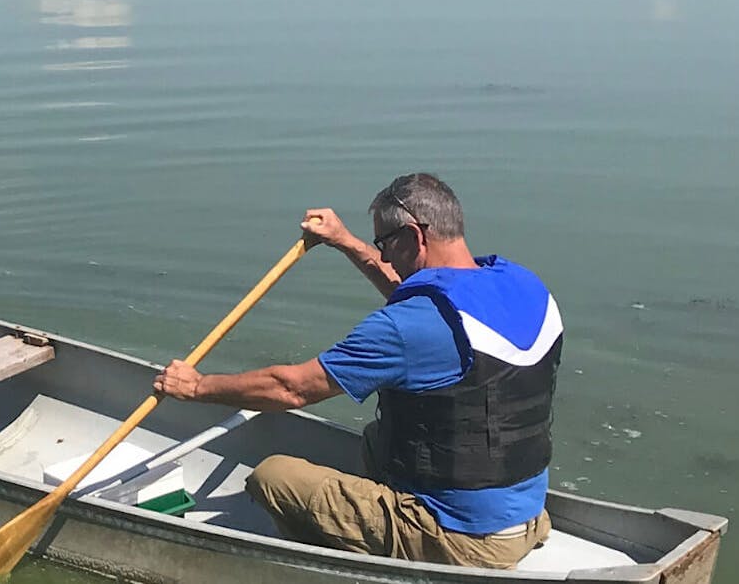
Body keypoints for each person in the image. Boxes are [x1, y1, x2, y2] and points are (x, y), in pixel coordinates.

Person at [152, 173, 562, 569]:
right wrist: (345, 242)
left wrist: (197, 385)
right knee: (377, 439)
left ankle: (332, 565)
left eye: (385, 243)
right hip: (527, 519)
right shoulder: (524, 287)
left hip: (463, 542)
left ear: (415, 236)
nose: (382, 255)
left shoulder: (404, 328)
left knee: (274, 477)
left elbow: (291, 389)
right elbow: (420, 301)